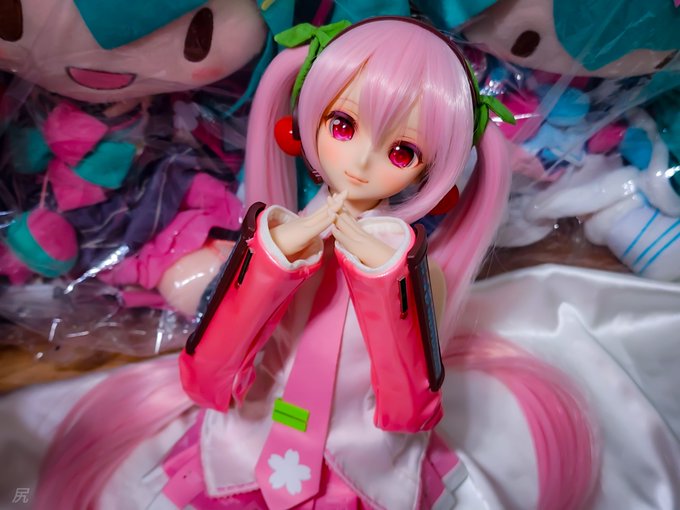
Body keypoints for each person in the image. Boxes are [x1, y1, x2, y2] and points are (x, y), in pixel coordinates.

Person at [32, 17, 597, 510]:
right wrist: (274, 260)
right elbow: (207, 378)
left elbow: (407, 410)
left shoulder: (414, 275)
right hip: (248, 441)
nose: (362, 162)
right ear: (307, 119)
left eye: (402, 151)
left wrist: (385, 284)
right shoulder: (270, 242)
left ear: (432, 170)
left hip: (358, 461)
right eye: (343, 126)